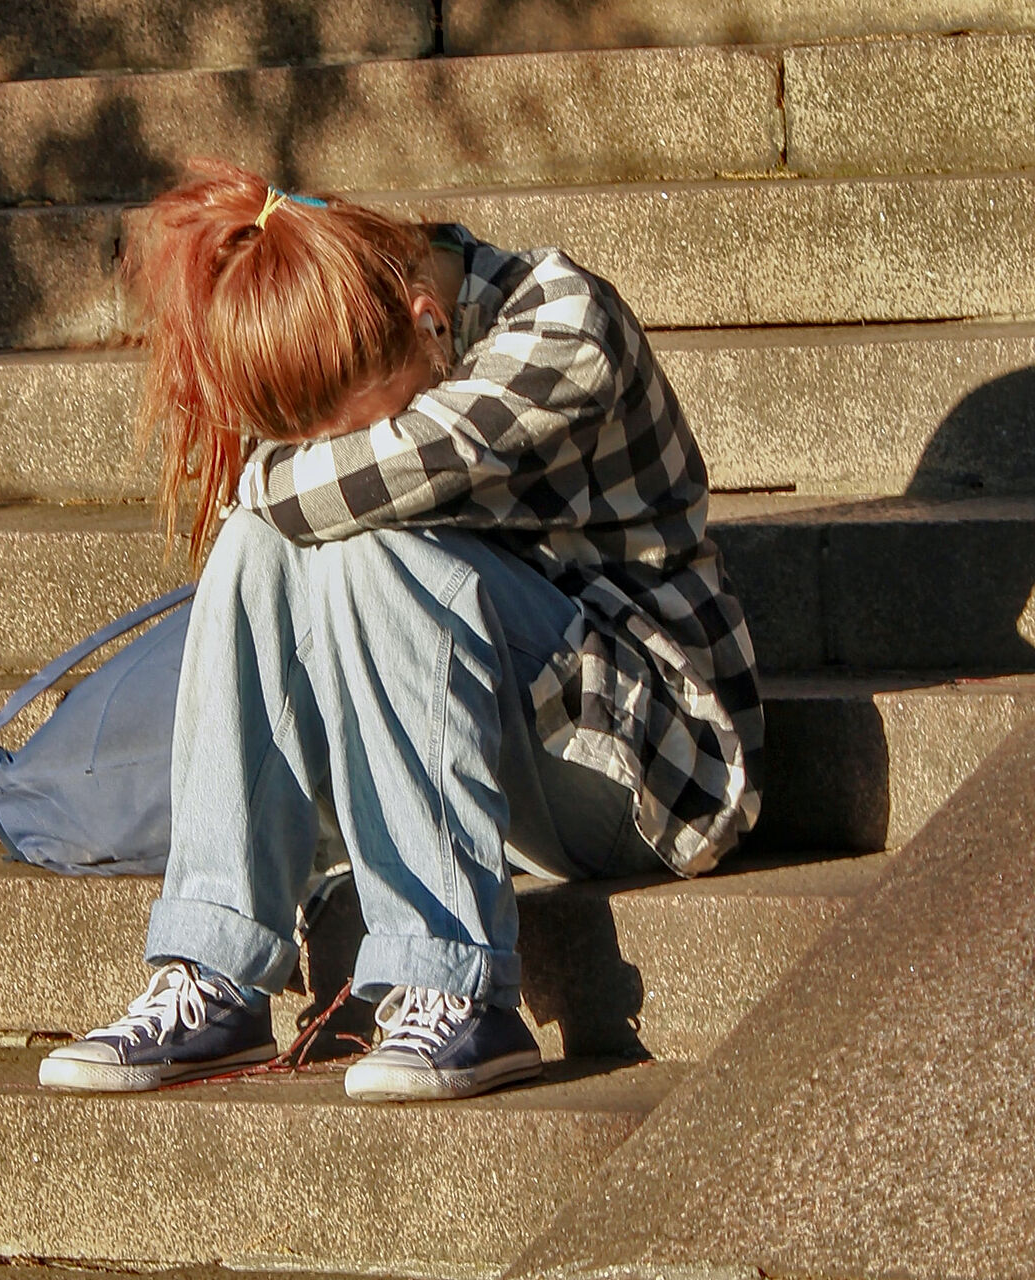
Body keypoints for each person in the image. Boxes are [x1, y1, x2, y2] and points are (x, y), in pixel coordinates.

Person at [38, 161, 763, 1101]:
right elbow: (294, 508)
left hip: (652, 765)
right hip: (495, 757)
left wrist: (267, 481)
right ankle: (214, 967)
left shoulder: (561, 324)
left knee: (353, 537)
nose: (334, 450)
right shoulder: (385, 334)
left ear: (428, 318)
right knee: (272, 547)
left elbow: (318, 490)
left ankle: (454, 988)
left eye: (357, 425)